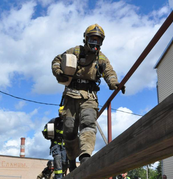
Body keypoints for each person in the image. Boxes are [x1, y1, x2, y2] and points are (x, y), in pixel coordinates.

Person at [51, 24, 125, 167]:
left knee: (88, 124)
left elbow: (109, 72)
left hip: (89, 97)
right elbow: (57, 61)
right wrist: (58, 72)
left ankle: (85, 156)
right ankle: (72, 158)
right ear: (86, 38)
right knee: (69, 130)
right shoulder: (75, 51)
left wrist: (114, 83)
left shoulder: (101, 58)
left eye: (98, 40)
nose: (95, 43)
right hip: (71, 96)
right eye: (92, 39)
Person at [42, 107, 70, 179]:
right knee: (57, 161)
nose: (62, 117)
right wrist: (48, 132)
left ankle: (62, 176)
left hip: (64, 147)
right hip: (56, 145)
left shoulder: (69, 123)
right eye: (61, 115)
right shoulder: (54, 121)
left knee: (64, 162)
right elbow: (45, 131)